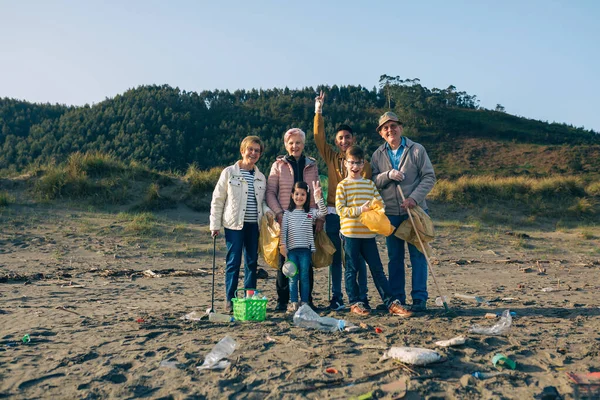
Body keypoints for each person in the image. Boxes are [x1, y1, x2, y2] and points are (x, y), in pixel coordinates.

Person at [336, 145, 413, 317]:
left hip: (368, 235)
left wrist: (378, 210)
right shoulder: (342, 186)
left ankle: (391, 303)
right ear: (345, 164)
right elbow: (341, 209)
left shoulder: (370, 185)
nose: (355, 166)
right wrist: (360, 210)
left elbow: (380, 204)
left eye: (358, 163)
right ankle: (355, 303)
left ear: (363, 164)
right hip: (350, 235)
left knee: (377, 268)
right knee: (351, 269)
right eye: (351, 163)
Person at [371, 112, 436, 312]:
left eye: (393, 126)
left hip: (415, 211)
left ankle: (419, 299)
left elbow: (429, 177)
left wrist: (413, 199)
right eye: (385, 128)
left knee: (418, 256)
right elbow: (373, 181)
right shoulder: (377, 155)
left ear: (400, 128)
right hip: (390, 213)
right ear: (381, 133)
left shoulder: (417, 150)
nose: (390, 130)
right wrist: (387, 175)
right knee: (395, 258)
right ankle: (397, 298)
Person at [313, 91, 372, 311]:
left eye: (347, 137)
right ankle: (336, 297)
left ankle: (360, 296)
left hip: (355, 214)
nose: (344, 141)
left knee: (356, 257)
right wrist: (318, 110)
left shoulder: (362, 163)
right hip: (332, 213)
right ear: (336, 142)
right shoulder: (331, 156)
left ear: (353, 139)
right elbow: (319, 137)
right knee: (335, 255)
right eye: (340, 138)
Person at [210, 136, 274, 313]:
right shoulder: (229, 172)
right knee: (233, 261)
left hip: (254, 225)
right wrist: (214, 225)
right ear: (242, 150)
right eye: (250, 149)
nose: (253, 153)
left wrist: (268, 210)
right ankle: (230, 300)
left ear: (260, 154)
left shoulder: (261, 177)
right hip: (234, 224)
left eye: (257, 151)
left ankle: (249, 297)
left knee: (252, 262)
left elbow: (261, 202)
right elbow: (218, 199)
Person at [266, 128, 324, 311]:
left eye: (298, 142)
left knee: (307, 263)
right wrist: (279, 213)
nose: (294, 146)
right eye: (291, 143)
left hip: (307, 220)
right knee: (285, 263)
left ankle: (307, 300)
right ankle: (283, 300)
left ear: (303, 144)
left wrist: (319, 219)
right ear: (285, 145)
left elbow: (315, 193)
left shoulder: (311, 165)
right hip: (285, 219)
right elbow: (270, 192)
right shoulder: (278, 165)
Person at [280, 181, 327, 314]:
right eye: (297, 194)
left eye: (303, 194)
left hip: (306, 251)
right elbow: (284, 232)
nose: (299, 197)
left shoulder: (310, 212)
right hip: (292, 251)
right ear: (292, 195)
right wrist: (283, 246)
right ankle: (294, 302)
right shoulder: (287, 213)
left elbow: (323, 212)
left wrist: (318, 197)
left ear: (307, 196)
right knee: (293, 277)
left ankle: (305, 302)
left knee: (305, 277)